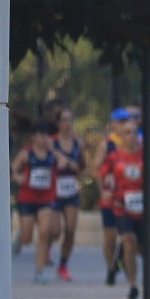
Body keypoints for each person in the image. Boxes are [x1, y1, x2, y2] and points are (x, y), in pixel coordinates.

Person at [98, 126, 148, 299]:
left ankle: (122, 258)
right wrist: (105, 190)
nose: (132, 136)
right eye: (127, 132)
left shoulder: (145, 155)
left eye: (135, 132)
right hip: (121, 207)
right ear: (120, 136)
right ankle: (133, 285)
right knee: (129, 240)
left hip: (143, 208)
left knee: (140, 248)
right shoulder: (114, 157)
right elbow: (102, 175)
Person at [12, 121, 63, 284]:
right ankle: (20, 237)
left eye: (46, 135)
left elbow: (64, 163)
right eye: (41, 135)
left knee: (44, 232)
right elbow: (13, 168)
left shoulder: (52, 154)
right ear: (33, 137)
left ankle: (39, 271)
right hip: (27, 198)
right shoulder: (26, 154)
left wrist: (53, 150)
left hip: (46, 199)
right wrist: (17, 177)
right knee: (27, 238)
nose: (44, 138)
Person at [50, 107, 86, 281]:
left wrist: (79, 175)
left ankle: (63, 264)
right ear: (58, 123)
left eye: (70, 120)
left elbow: (83, 168)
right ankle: (48, 246)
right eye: (64, 120)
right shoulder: (51, 142)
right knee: (55, 231)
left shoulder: (78, 143)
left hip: (71, 190)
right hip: (54, 191)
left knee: (71, 230)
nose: (67, 124)